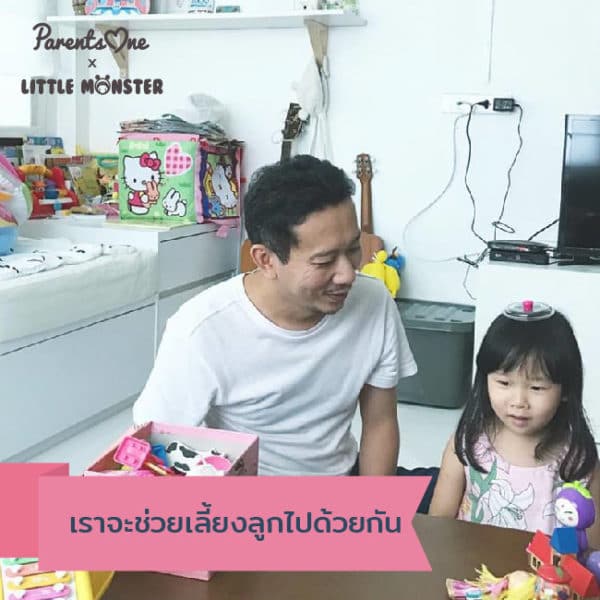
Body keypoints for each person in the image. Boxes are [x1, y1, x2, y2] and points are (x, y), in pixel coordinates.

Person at [133, 155, 417, 476]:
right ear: (265, 260)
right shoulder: (201, 330)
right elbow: (155, 447)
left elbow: (380, 423)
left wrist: (373, 505)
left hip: (345, 481)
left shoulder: (373, 301)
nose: (348, 274)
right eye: (324, 261)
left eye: (353, 249)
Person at [429, 301, 600, 547]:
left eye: (537, 387)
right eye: (504, 383)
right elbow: (438, 524)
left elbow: (591, 547)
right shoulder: (468, 442)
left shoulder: (578, 459)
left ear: (565, 389)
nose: (519, 402)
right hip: (471, 568)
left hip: (545, 572)